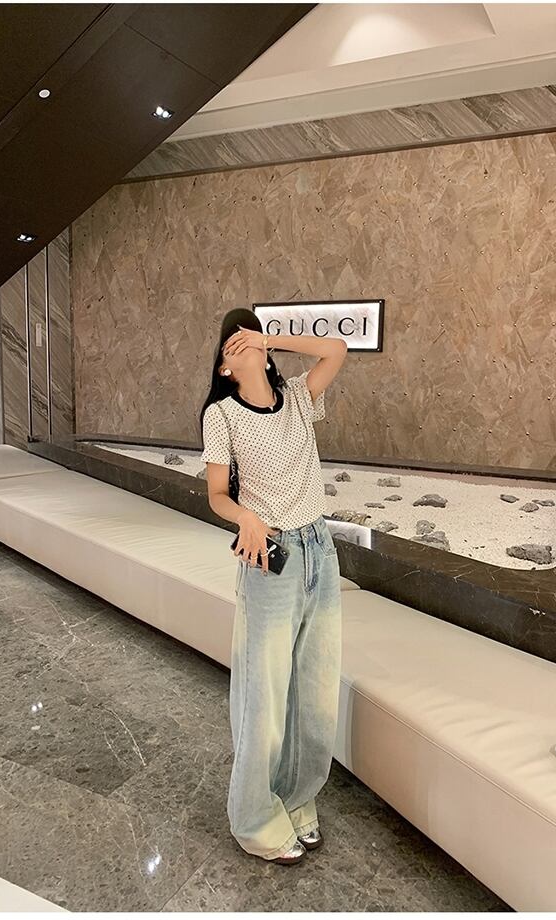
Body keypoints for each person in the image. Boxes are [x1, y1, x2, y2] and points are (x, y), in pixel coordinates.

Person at [199, 307, 348, 865]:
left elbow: (336, 350)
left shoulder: (298, 398)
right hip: (272, 559)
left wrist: (272, 337)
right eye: (232, 342)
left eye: (250, 336)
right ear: (224, 367)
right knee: (263, 695)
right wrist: (247, 517)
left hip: (319, 550)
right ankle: (255, 817)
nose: (244, 344)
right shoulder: (221, 415)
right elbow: (218, 495)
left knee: (314, 688)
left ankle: (298, 795)